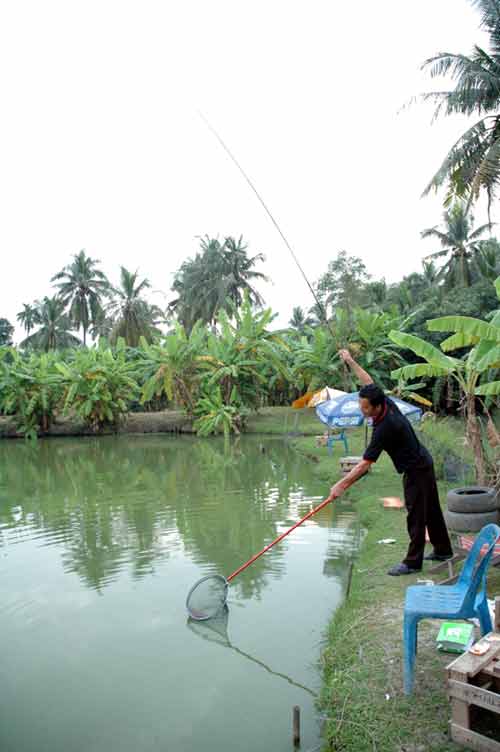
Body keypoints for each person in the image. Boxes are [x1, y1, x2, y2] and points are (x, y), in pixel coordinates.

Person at [328, 349, 453, 576]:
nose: (361, 410)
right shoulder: (383, 402)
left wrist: (341, 485)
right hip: (423, 461)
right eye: (361, 405)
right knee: (431, 509)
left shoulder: (385, 427)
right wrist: (350, 361)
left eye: (365, 407)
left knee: (416, 514)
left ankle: (413, 562)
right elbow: (368, 382)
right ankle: (443, 550)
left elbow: (365, 464)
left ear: (376, 406)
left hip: (416, 468)